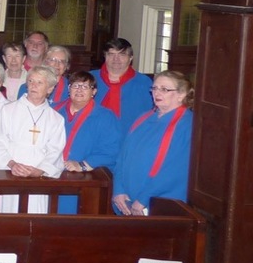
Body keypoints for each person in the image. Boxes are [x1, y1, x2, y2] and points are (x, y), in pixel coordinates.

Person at [112, 71, 194, 215]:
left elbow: (175, 170)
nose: (157, 93)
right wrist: (118, 190)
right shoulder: (143, 118)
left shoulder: (187, 124)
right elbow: (122, 156)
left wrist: (144, 199)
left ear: (182, 94)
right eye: (155, 88)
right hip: (126, 200)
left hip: (158, 202)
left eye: (164, 89)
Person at [0, 65, 67, 179]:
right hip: (9, 173)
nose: (34, 85)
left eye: (39, 83)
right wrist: (12, 164)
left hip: (38, 178)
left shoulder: (56, 119)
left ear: (50, 88)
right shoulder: (8, 110)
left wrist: (39, 171)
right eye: (31, 81)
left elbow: (55, 151)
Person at [59, 71, 122, 173]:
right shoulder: (55, 111)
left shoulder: (106, 117)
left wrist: (83, 165)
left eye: (85, 86)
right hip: (51, 172)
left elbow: (111, 150)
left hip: (86, 176)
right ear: (69, 89)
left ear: (94, 91)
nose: (79, 90)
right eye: (75, 85)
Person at [92, 37, 155, 132]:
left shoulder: (144, 83)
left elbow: (153, 115)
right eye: (111, 54)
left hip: (130, 138)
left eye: (122, 54)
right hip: (93, 136)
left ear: (131, 57)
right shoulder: (90, 79)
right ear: (105, 56)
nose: (116, 59)